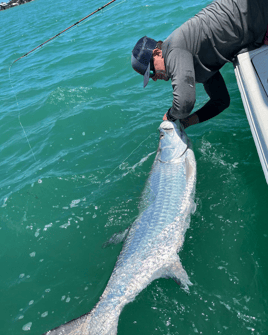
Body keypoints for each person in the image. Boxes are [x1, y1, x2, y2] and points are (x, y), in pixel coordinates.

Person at [131, 0, 268, 129]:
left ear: (156, 53)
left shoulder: (173, 50)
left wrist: (170, 116)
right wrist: (185, 123)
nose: (154, 78)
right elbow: (221, 101)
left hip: (254, 10)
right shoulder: (192, 59)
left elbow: (184, 102)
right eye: (150, 77)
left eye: (152, 72)